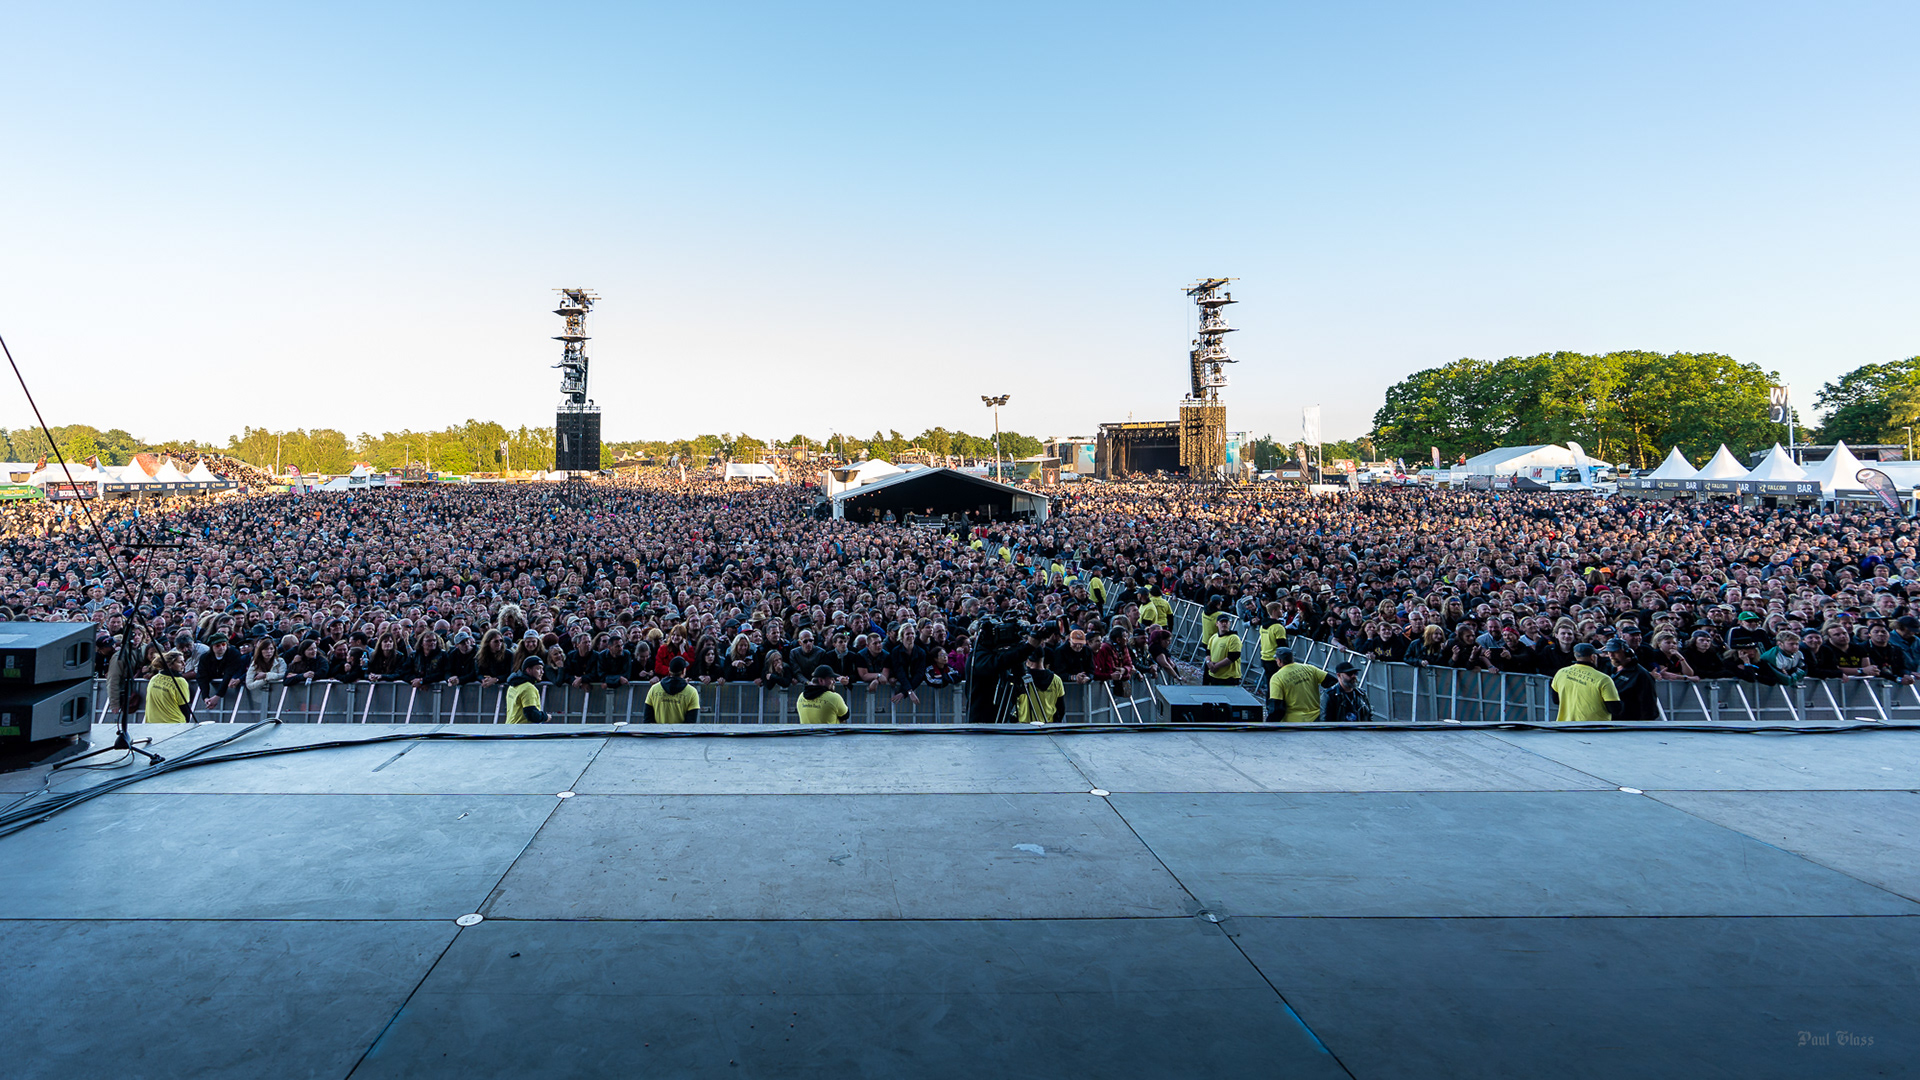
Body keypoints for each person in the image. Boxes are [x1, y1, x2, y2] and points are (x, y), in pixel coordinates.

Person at [1549, 642, 1621, 722]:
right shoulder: (1603, 679)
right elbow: (1615, 709)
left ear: (1576, 656)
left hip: (1566, 726)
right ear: (1592, 657)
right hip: (1594, 729)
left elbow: (1556, 700)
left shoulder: (1561, 673)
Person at [1267, 647, 1334, 723]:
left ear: (1279, 660)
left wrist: (1268, 726)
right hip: (1316, 719)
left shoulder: (1277, 678)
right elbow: (1332, 682)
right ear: (1292, 658)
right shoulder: (1309, 668)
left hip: (1294, 723)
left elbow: (1276, 707)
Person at [1603, 638, 1659, 721]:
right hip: (1614, 720)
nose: (1611, 655)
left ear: (1627, 653)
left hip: (1632, 723)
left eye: (1616, 652)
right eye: (1609, 652)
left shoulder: (1641, 675)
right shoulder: (1611, 669)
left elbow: (1649, 706)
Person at [645, 654, 702, 723]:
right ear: (684, 671)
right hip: (679, 733)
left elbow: (648, 719)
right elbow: (690, 722)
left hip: (658, 733)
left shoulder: (654, 689)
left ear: (669, 670)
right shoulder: (692, 692)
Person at [144, 649, 195, 724]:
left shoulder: (154, 679)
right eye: (179, 662)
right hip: (174, 723)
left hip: (152, 722)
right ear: (169, 664)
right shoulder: (180, 681)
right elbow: (184, 707)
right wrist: (187, 723)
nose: (184, 664)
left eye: (184, 661)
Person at [1015, 650, 1064, 724]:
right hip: (1048, 726)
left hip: (1025, 727)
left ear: (1028, 660)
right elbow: (1061, 707)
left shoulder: (1022, 680)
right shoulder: (1056, 679)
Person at [504, 656, 551, 724]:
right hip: (523, 731)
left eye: (542, 669)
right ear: (528, 670)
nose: (542, 672)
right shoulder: (528, 688)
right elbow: (531, 714)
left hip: (510, 727)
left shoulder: (512, 685)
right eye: (538, 668)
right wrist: (545, 717)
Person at [1204, 613, 1243, 687]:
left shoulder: (1234, 638)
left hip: (1229, 677)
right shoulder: (1213, 637)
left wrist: (1216, 666)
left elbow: (1233, 657)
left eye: (1226, 622)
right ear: (1217, 624)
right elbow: (1208, 653)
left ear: (1229, 624)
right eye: (1221, 622)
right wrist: (1209, 663)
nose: (1224, 624)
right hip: (1214, 676)